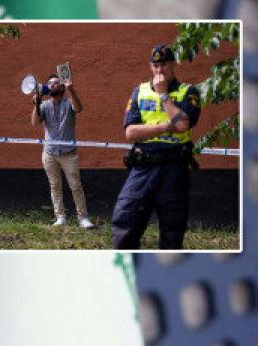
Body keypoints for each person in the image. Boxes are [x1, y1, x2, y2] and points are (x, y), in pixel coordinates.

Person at [112, 44, 200, 249]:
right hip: (143, 166)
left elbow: (182, 125)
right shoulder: (139, 91)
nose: (160, 70)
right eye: (156, 66)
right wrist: (165, 127)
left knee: (172, 230)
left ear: (173, 65)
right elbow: (130, 132)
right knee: (125, 220)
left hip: (174, 168)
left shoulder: (188, 92)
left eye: (164, 65)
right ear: (151, 66)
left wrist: (163, 95)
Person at [31, 74, 94, 228]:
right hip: (49, 153)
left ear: (62, 87)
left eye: (57, 83)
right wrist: (36, 104)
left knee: (75, 186)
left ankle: (83, 218)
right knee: (55, 186)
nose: (53, 85)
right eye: (51, 83)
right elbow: (34, 122)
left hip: (68, 153)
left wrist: (72, 90)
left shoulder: (69, 102)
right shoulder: (44, 105)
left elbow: (79, 108)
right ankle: (60, 217)